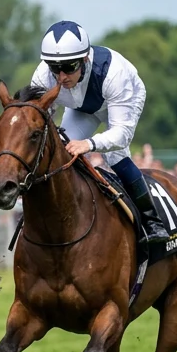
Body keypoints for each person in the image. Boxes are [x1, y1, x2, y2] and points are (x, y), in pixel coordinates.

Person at [29, 20, 165, 248]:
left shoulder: (115, 74)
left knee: (115, 156)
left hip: (121, 99)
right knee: (63, 152)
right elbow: (41, 121)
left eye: (70, 66)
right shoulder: (43, 76)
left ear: (85, 59)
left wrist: (89, 144)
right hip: (81, 107)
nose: (61, 77)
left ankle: (152, 221)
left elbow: (121, 135)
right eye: (55, 67)